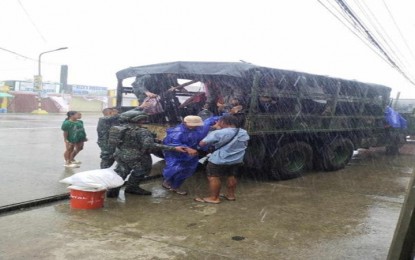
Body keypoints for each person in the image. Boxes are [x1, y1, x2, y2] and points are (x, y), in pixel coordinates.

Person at [107, 110, 186, 198]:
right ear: (137, 119)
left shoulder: (119, 128)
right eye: (142, 119)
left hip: (120, 154)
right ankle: (132, 187)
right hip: (136, 156)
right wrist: (174, 148)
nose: (144, 120)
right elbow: (150, 146)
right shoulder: (141, 131)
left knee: (121, 171)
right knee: (140, 171)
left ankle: (113, 191)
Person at [194, 115, 249, 204]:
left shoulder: (218, 133)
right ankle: (231, 195)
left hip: (219, 160)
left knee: (213, 177)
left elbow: (202, 143)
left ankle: (214, 198)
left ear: (223, 122)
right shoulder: (243, 132)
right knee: (232, 176)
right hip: (236, 160)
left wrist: (214, 129)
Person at [162, 115, 219, 195]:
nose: (195, 126)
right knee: (174, 169)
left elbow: (211, 120)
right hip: (175, 154)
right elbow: (171, 143)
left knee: (187, 170)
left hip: (192, 153)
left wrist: (218, 123)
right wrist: (187, 148)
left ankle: (175, 185)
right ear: (185, 123)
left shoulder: (199, 127)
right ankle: (169, 182)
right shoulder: (177, 132)